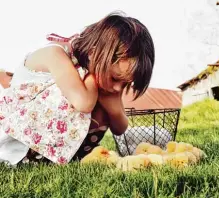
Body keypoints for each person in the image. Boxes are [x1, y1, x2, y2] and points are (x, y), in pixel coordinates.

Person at [0, 11, 155, 165]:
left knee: (100, 99)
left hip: (50, 141)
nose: (117, 88)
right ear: (94, 54)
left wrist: (113, 106)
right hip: (17, 142)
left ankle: (73, 156)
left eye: (126, 83)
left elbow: (120, 128)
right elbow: (83, 103)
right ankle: (35, 158)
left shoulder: (104, 72)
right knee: (84, 95)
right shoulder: (54, 54)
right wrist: (92, 81)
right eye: (115, 79)